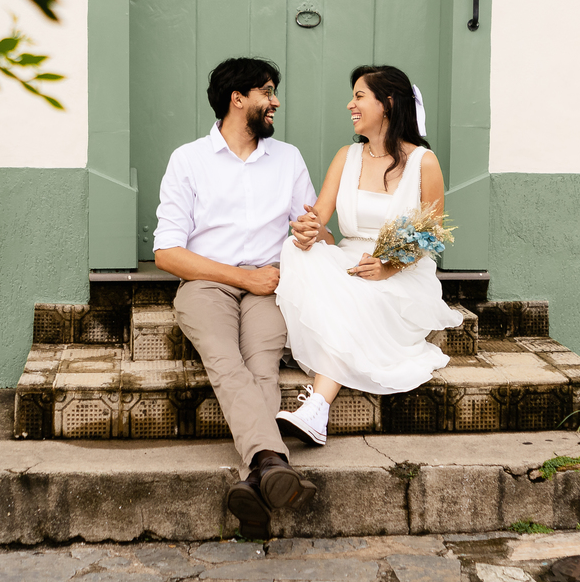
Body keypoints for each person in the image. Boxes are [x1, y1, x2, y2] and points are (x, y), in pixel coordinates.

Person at [152, 57, 319, 541]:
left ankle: (256, 482)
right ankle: (272, 461)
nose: (276, 102)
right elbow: (166, 252)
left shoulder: (288, 159)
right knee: (226, 362)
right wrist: (241, 279)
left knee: (262, 365)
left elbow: (312, 233)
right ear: (237, 98)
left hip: (269, 285)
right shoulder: (189, 159)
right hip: (207, 284)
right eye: (267, 91)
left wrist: (312, 233)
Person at [274, 65, 462, 446]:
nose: (350, 105)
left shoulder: (425, 163)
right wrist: (309, 231)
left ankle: (317, 408)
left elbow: (431, 236)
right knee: (295, 252)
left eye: (359, 96)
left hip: (402, 273)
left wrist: (389, 265)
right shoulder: (348, 156)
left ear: (388, 103)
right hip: (350, 261)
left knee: (353, 296)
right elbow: (319, 219)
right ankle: (316, 411)